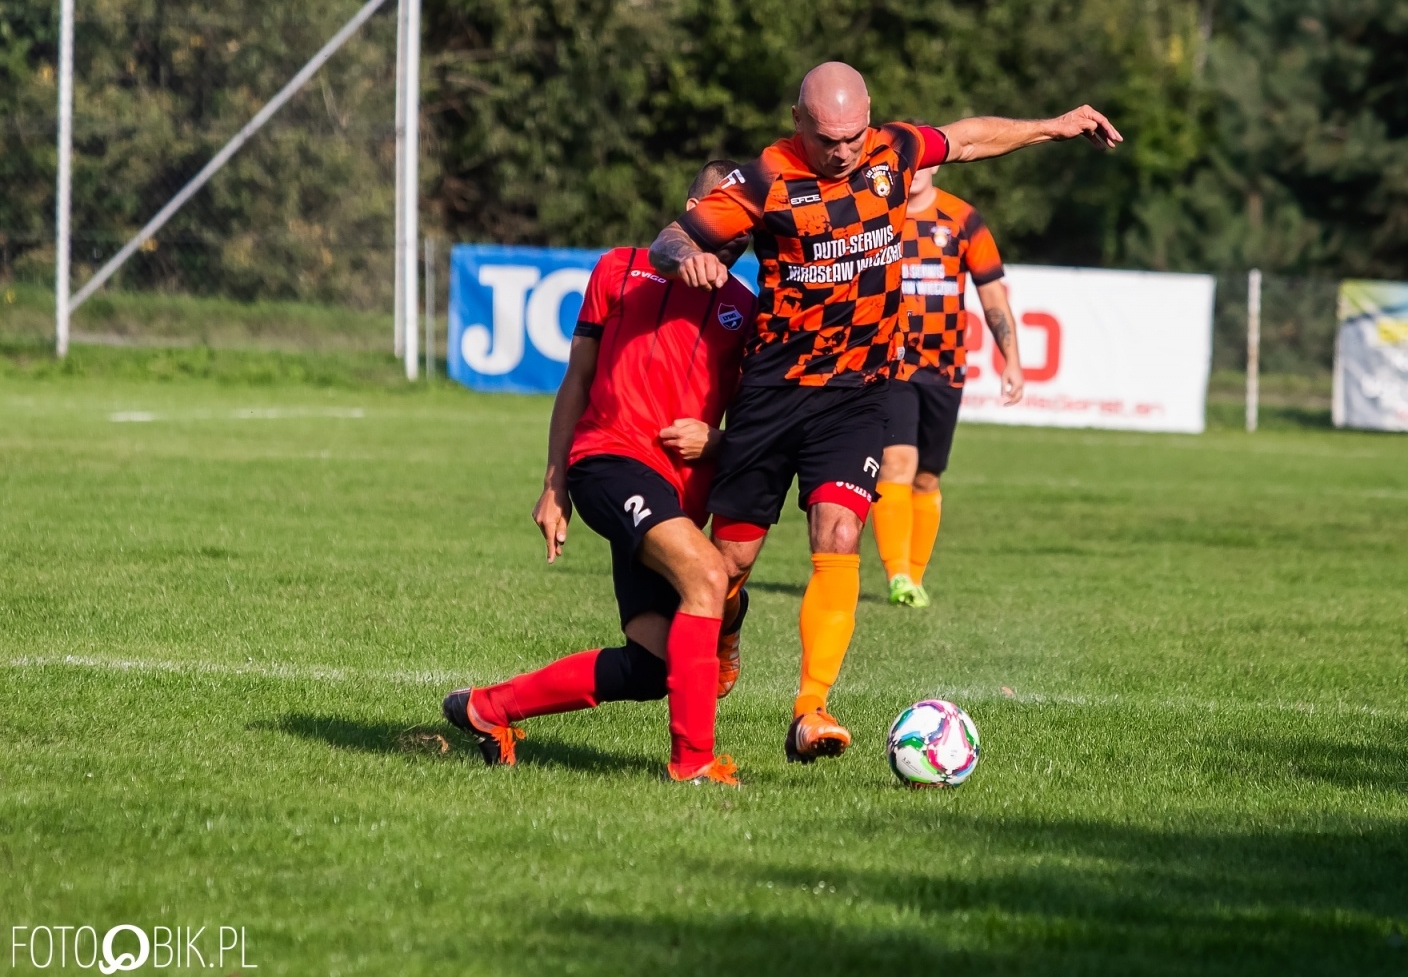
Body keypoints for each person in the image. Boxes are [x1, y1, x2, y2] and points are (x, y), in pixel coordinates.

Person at [648, 61, 1121, 763]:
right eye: (827, 138)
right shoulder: (764, 178)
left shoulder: (891, 151)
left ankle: (811, 710)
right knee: (730, 561)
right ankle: (725, 628)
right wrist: (688, 257)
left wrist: (1053, 125)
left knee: (838, 536)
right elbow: (673, 236)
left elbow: (967, 138)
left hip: (860, 390)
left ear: (869, 119)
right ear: (798, 120)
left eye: (852, 135)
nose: (842, 151)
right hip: (776, 391)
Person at [442, 160, 757, 787]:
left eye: (742, 224)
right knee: (706, 574)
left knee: (649, 667)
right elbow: (576, 382)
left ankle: (488, 708)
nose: (730, 232)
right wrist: (554, 483)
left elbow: (756, 431)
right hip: (608, 462)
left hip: (675, 497)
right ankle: (694, 766)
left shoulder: (746, 310)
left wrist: (716, 438)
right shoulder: (619, 268)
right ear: (690, 206)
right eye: (715, 213)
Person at [872, 165, 1023, 609]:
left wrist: (1011, 359)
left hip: (945, 367)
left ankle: (914, 578)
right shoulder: (878, 217)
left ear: (936, 164)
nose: (914, 171)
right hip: (891, 363)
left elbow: (992, 294)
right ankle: (897, 575)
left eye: (922, 162)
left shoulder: (962, 219)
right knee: (896, 462)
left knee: (927, 475)